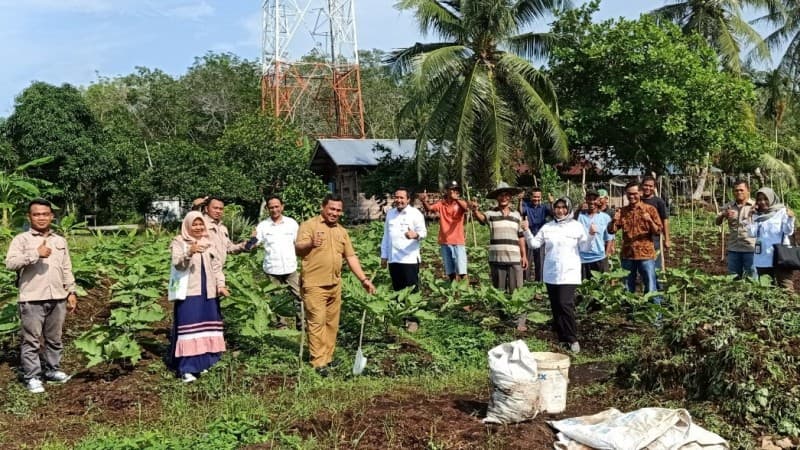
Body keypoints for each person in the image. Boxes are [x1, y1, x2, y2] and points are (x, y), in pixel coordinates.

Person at [295, 194, 376, 376]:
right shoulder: (309, 226)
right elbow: (298, 248)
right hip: (314, 284)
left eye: (338, 210)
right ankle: (318, 362)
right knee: (317, 322)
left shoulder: (341, 231)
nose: (335, 213)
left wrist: (364, 279)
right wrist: (310, 243)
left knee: (332, 323)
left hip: (334, 284)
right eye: (332, 209)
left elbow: (351, 257)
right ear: (323, 207)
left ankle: (328, 357)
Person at [5, 199, 77, 393]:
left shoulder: (59, 240)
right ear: (30, 217)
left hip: (58, 297)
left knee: (54, 338)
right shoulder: (21, 240)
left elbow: (66, 267)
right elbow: (10, 263)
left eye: (45, 214)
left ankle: (52, 370)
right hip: (31, 298)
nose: (41, 218)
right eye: (36, 214)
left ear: (52, 216)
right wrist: (35, 254)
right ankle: (32, 376)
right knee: (32, 339)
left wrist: (71, 290)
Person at [522, 197, 592, 353]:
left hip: (569, 273)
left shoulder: (576, 226)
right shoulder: (548, 227)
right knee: (555, 307)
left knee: (564, 304)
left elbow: (585, 248)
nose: (560, 211)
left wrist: (592, 235)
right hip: (551, 273)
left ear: (568, 209)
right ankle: (562, 338)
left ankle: (572, 338)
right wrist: (526, 230)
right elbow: (534, 244)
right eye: (557, 208)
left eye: (563, 207)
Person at [169, 211, 229, 383]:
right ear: (187, 225)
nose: (198, 227)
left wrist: (221, 285)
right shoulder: (179, 242)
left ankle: (204, 364)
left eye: (200, 224)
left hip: (208, 292)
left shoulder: (209, 243)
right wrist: (190, 252)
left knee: (206, 328)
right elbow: (178, 265)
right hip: (190, 293)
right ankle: (186, 368)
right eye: (194, 224)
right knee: (190, 328)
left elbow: (217, 267)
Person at [472, 182, 528, 329]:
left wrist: (524, 255)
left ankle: (520, 321)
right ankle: (503, 319)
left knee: (517, 291)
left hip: (515, 258)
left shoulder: (516, 215)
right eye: (500, 195)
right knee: (499, 291)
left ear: (510, 197)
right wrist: (475, 210)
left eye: (506, 195)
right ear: (497, 198)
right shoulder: (491, 214)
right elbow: (481, 219)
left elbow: (521, 236)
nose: (503, 197)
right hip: (496, 259)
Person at [252, 196, 303, 329]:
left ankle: (301, 323)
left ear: (282, 207)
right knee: (277, 299)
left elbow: (299, 243)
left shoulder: (292, 223)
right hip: (272, 268)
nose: (274, 209)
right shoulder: (263, 226)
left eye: (277, 206)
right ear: (268, 209)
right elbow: (254, 243)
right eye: (271, 207)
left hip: (290, 267)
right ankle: (282, 325)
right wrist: (251, 241)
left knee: (299, 296)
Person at [607, 181, 663, 301]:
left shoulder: (650, 210)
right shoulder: (622, 211)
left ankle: (655, 316)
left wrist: (649, 221)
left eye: (634, 193)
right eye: (629, 194)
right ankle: (631, 312)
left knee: (651, 286)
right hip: (628, 254)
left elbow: (658, 231)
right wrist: (613, 220)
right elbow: (612, 231)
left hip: (645, 254)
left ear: (641, 193)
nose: (631, 196)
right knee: (627, 286)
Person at [381, 188, 427, 332]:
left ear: (408, 199)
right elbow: (386, 236)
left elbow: (424, 232)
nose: (399, 200)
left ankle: (413, 320)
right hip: (394, 259)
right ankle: (401, 318)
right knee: (397, 290)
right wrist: (384, 255)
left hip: (409, 259)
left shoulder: (415, 213)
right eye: (397, 197)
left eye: (402, 198)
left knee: (411, 291)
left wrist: (415, 234)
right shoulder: (390, 214)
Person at [418, 181, 469, 281]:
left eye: (456, 189)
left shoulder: (460, 203)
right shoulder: (441, 204)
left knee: (462, 272)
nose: (454, 191)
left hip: (458, 241)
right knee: (450, 272)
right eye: (452, 189)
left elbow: (466, 208)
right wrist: (424, 201)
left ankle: (466, 292)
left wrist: (456, 199)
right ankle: (454, 292)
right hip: (445, 241)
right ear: (447, 191)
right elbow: (430, 209)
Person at [747, 187, 795, 291]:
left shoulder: (781, 212)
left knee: (786, 288)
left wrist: (790, 218)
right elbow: (752, 233)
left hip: (781, 256)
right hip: (763, 258)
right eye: (759, 199)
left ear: (772, 198)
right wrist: (750, 217)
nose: (762, 202)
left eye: (765, 199)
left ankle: (789, 307)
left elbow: (788, 231)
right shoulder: (757, 215)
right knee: (766, 289)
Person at [715, 180, 757, 279]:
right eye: (736, 190)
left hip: (750, 248)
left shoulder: (755, 206)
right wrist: (724, 215)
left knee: (751, 279)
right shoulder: (729, 206)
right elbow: (717, 222)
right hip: (734, 249)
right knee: (733, 278)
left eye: (741, 190)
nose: (739, 193)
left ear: (748, 191)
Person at [200, 196, 249, 269]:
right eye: (215, 208)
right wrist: (195, 206)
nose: (218, 211)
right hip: (204, 270)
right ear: (206, 209)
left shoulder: (222, 228)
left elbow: (229, 248)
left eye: (221, 209)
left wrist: (244, 245)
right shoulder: (200, 225)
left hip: (219, 271)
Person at [577, 191, 615, 280]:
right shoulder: (580, 217)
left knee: (601, 286)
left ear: (598, 201)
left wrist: (606, 255)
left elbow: (609, 238)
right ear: (585, 200)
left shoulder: (605, 217)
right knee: (583, 289)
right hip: (583, 258)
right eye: (589, 199)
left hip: (599, 257)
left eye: (594, 199)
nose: (591, 202)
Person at [519, 187, 552, 281]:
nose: (536, 199)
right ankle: (525, 282)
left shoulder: (544, 207)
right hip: (528, 236)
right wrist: (520, 200)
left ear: (541, 197)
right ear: (531, 197)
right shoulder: (527, 206)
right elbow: (520, 211)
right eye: (534, 197)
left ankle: (540, 283)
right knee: (527, 260)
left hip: (540, 237)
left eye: (538, 197)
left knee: (540, 261)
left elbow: (553, 214)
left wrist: (551, 203)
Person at [641, 176, 671, 272]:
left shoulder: (659, 202)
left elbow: (664, 220)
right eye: (646, 185)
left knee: (655, 264)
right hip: (641, 237)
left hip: (655, 238)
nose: (648, 188)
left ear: (654, 188)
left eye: (651, 186)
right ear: (642, 186)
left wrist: (667, 239)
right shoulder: (638, 201)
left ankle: (658, 285)